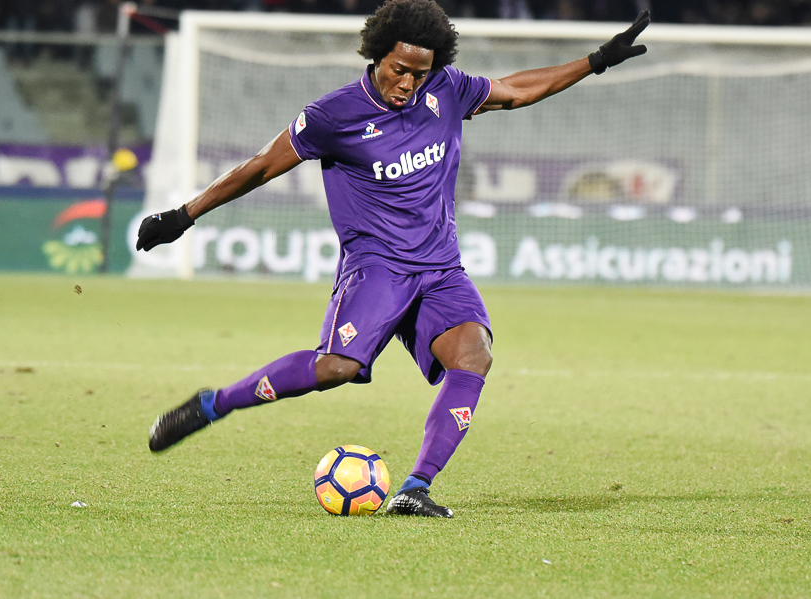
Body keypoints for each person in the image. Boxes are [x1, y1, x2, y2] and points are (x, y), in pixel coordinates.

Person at [136, 0, 649, 517]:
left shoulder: (445, 90)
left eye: (418, 73)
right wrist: (183, 215)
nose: (407, 83)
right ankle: (213, 405)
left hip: (440, 269)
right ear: (377, 56)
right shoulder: (332, 116)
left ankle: (416, 487)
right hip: (377, 268)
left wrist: (596, 60)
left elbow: (516, 90)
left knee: (474, 355)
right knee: (336, 367)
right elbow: (261, 167)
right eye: (399, 69)